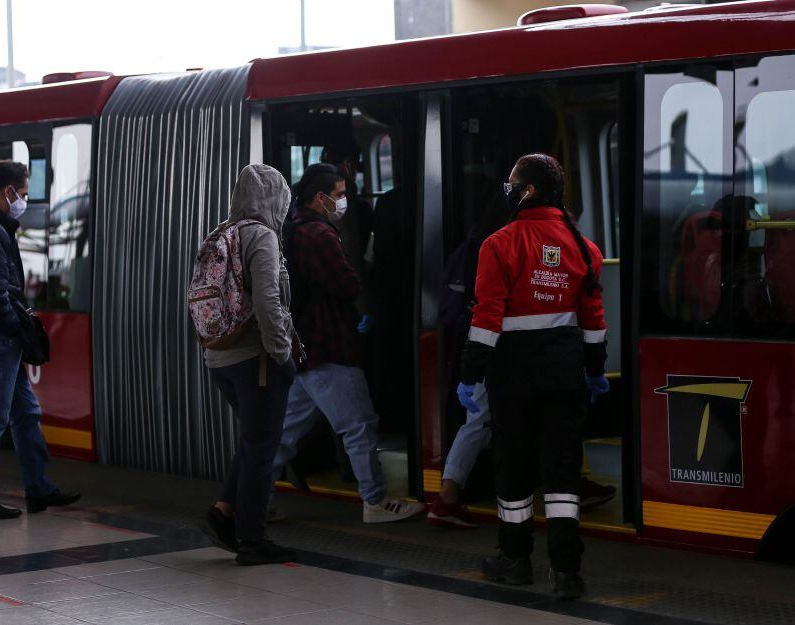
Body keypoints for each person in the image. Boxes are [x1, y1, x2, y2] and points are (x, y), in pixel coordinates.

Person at [458, 154, 608, 599]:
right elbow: (593, 318)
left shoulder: (499, 244)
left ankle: (515, 559)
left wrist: (470, 374)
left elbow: (487, 318)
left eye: (511, 183)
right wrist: (596, 370)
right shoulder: (585, 248)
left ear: (527, 191)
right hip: (564, 373)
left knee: (515, 468)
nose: (506, 190)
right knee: (562, 473)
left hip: (514, 376)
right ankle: (566, 572)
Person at [274, 163, 424, 523]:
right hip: (329, 347)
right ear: (320, 197)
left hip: (302, 347)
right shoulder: (320, 236)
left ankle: (250, 496)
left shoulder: (291, 229)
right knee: (358, 425)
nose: (343, 202)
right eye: (339, 195)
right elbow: (347, 285)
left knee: (282, 434)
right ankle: (375, 500)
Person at [0, 160, 80, 521]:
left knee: (26, 413)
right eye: (22, 194)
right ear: (7, 191)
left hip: (1, 337)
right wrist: (15, 330)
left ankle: (38, 488)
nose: (24, 200)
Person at [199, 164, 299, 565]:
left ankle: (223, 511)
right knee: (263, 448)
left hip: (219, 356)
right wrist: (282, 353)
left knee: (253, 439)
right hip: (254, 359)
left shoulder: (221, 231)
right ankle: (252, 541)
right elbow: (267, 301)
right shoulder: (262, 236)